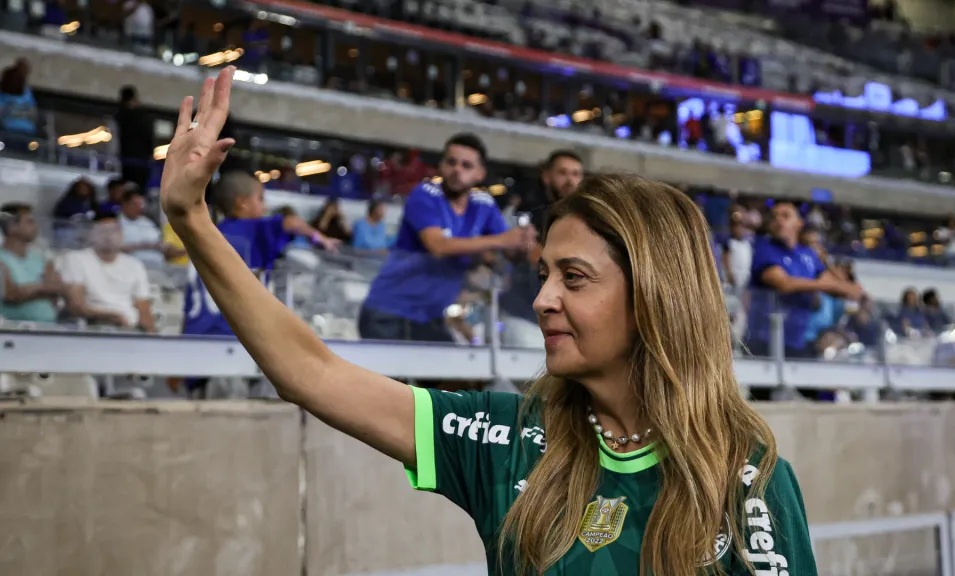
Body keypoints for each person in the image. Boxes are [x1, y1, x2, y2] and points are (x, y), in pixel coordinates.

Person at [158, 68, 815, 575]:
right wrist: (194, 220)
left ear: (654, 298)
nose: (543, 299)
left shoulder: (747, 474)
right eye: (542, 275)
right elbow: (310, 370)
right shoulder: (507, 436)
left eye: (574, 278)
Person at [358, 133, 534, 342]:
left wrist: (523, 242)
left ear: (480, 174)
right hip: (387, 314)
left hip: (429, 318)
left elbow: (508, 251)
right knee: (390, 376)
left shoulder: (483, 204)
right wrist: (504, 240)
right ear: (441, 166)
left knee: (454, 373)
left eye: (466, 165)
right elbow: (439, 246)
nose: (457, 170)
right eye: (451, 162)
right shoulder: (424, 194)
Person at [180, 171, 339, 398]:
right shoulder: (254, 230)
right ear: (242, 203)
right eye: (261, 198)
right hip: (230, 349)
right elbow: (289, 221)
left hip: (194, 351)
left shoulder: (208, 237)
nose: (264, 207)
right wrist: (320, 238)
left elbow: (188, 303)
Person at [746, 201, 862, 360]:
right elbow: (783, 284)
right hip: (765, 341)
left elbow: (851, 290)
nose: (779, 220)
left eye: (785, 216)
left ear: (799, 223)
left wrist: (826, 260)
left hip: (797, 341)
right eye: (774, 217)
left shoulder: (808, 255)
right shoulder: (764, 249)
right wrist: (824, 285)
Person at [499, 150, 585, 349]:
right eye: (563, 173)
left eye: (575, 174)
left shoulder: (585, 219)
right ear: (547, 177)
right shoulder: (524, 212)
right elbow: (537, 259)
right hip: (524, 316)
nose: (570, 180)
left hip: (567, 317)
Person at [61, 210, 155, 332]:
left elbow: (144, 310)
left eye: (114, 230)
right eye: (102, 231)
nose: (108, 236)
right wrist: (111, 316)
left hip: (130, 330)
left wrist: (152, 338)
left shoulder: (135, 265)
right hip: (92, 328)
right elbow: (76, 306)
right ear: (91, 234)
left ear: (122, 234)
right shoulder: (75, 259)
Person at [0, 203, 62, 323]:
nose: (36, 226)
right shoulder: (2, 259)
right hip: (15, 331)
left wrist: (28, 290)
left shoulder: (41, 259)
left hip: (48, 327)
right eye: (29, 222)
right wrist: (44, 288)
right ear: (12, 227)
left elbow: (58, 289)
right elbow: (10, 295)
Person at [119, 188, 185, 266]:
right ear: (125, 205)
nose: (139, 207)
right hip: (134, 265)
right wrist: (143, 246)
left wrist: (179, 251)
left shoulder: (147, 222)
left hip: (158, 264)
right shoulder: (117, 224)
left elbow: (161, 243)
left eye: (140, 204)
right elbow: (116, 249)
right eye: (135, 204)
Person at [114, 85, 155, 193]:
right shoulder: (141, 116)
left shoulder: (120, 115)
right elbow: (148, 135)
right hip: (140, 159)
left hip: (126, 158)